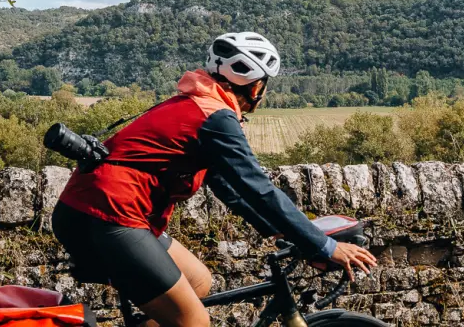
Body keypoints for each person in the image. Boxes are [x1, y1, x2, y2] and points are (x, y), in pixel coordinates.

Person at [50, 32, 378, 327]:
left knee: (198, 282)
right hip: (107, 217)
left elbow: (227, 188)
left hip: (104, 213)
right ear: (255, 86)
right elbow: (259, 188)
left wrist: (281, 232)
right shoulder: (215, 117)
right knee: (193, 321)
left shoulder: (199, 106)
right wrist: (325, 246)